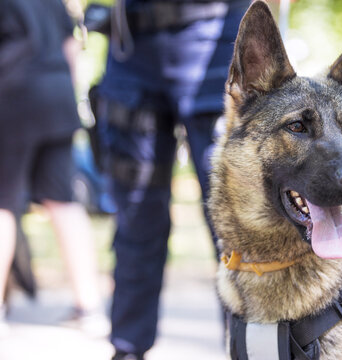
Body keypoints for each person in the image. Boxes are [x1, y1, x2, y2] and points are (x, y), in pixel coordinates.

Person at [94, 0, 250, 358]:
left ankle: (251, 348)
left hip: (215, 38)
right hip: (131, 45)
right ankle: (128, 347)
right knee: (135, 215)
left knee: (237, 220)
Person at [0, 0, 106, 337]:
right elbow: (70, 44)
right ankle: (89, 308)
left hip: (13, 94)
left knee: (2, 203)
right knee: (63, 200)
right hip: (57, 94)